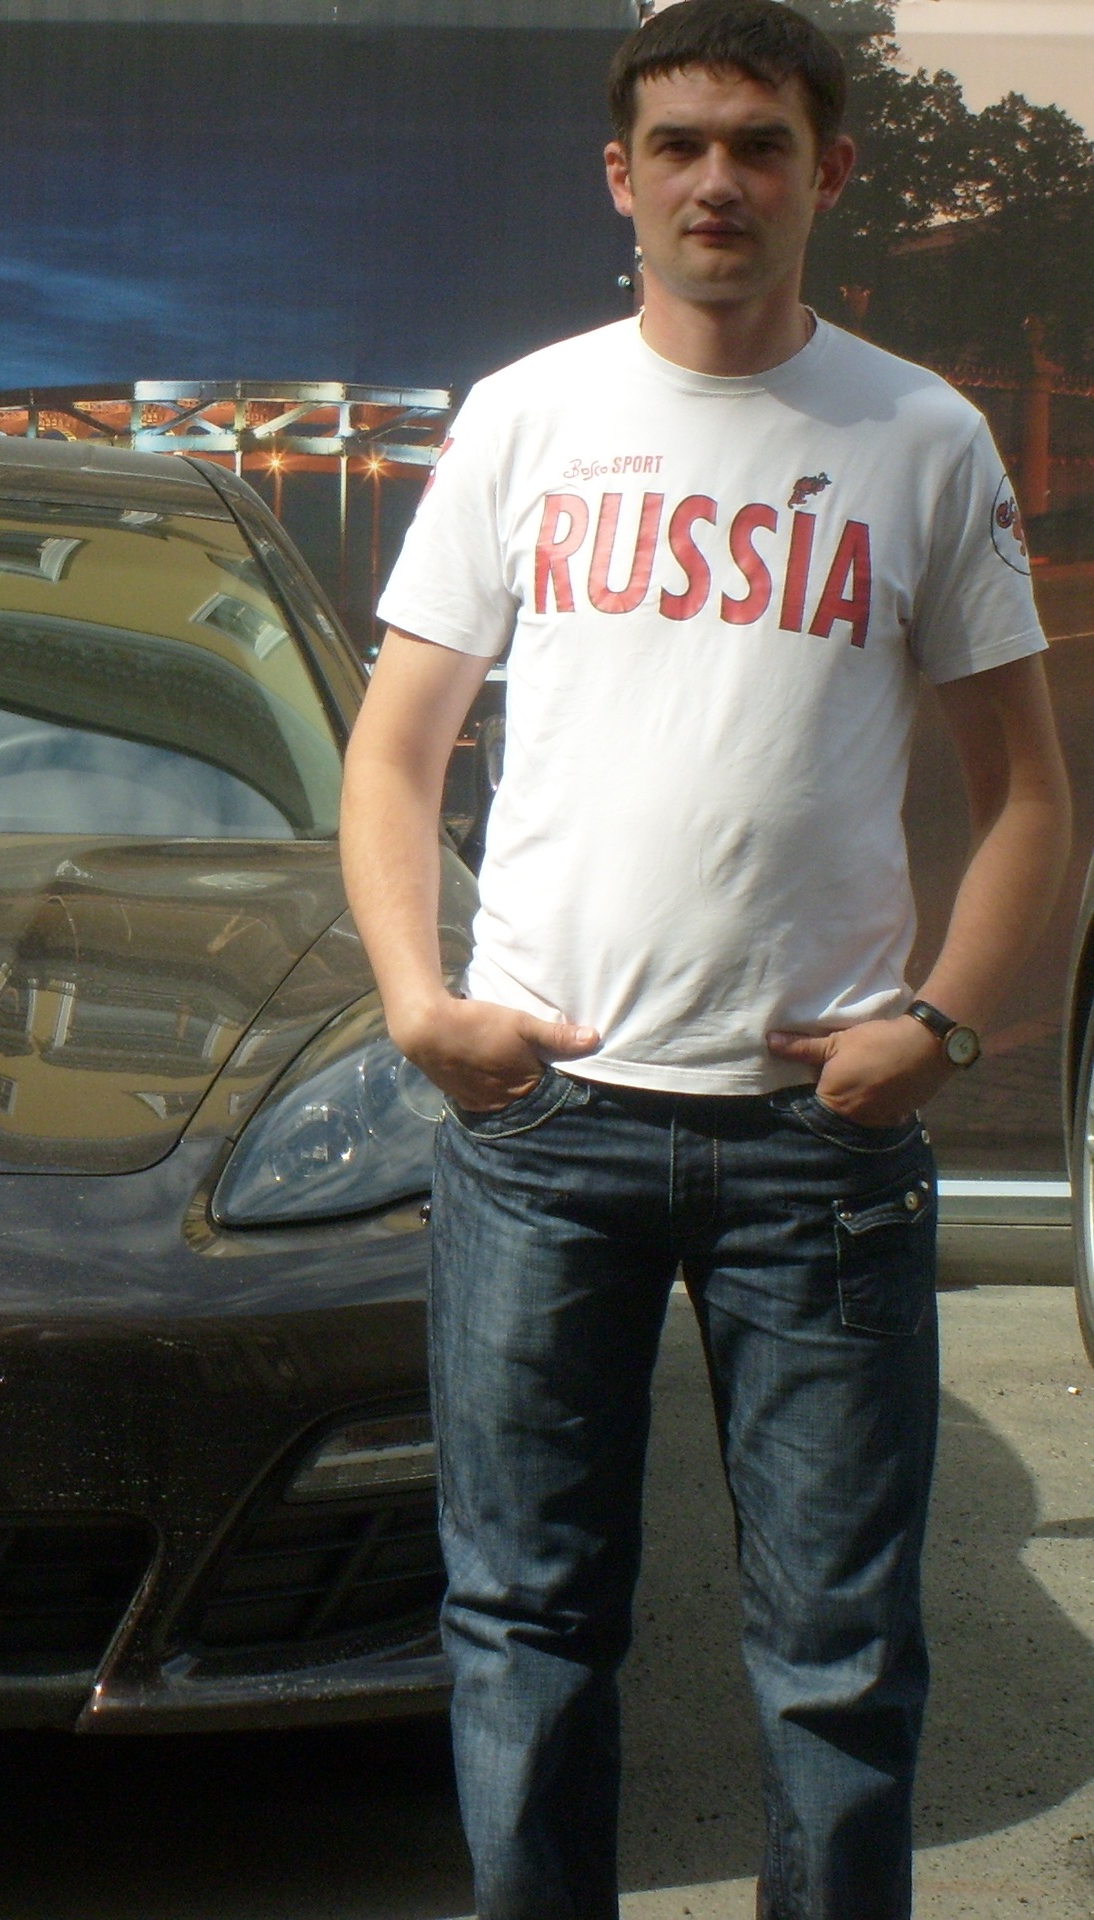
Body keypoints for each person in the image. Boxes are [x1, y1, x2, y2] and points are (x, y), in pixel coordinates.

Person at [338, 2, 1073, 1915]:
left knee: (838, 1654)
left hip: (814, 1145)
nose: (717, 182)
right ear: (622, 176)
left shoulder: (919, 437)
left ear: (829, 172)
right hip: (543, 1128)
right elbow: (397, 750)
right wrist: (419, 1004)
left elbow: (1027, 796)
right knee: (523, 1625)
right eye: (679, 146)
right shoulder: (528, 416)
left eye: (759, 144)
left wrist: (943, 1027)